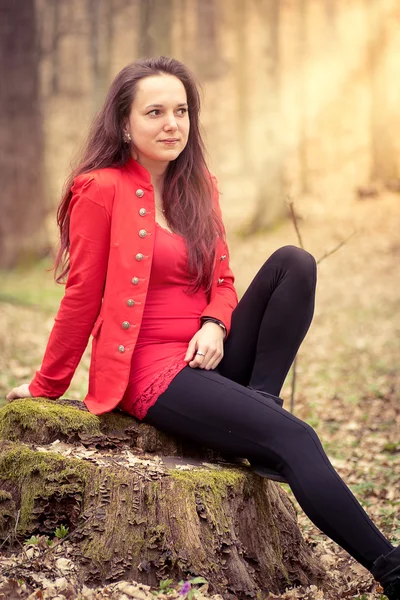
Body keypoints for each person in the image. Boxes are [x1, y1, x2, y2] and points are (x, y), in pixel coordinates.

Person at [5, 56, 400, 599]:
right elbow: (82, 296)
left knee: (295, 263)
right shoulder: (99, 189)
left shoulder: (198, 184)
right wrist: (47, 385)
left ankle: (259, 404)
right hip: (151, 369)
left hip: (209, 351)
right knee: (296, 437)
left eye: (181, 111)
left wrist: (215, 322)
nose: (172, 123)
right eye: (155, 112)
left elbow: (223, 278)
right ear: (124, 124)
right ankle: (393, 569)